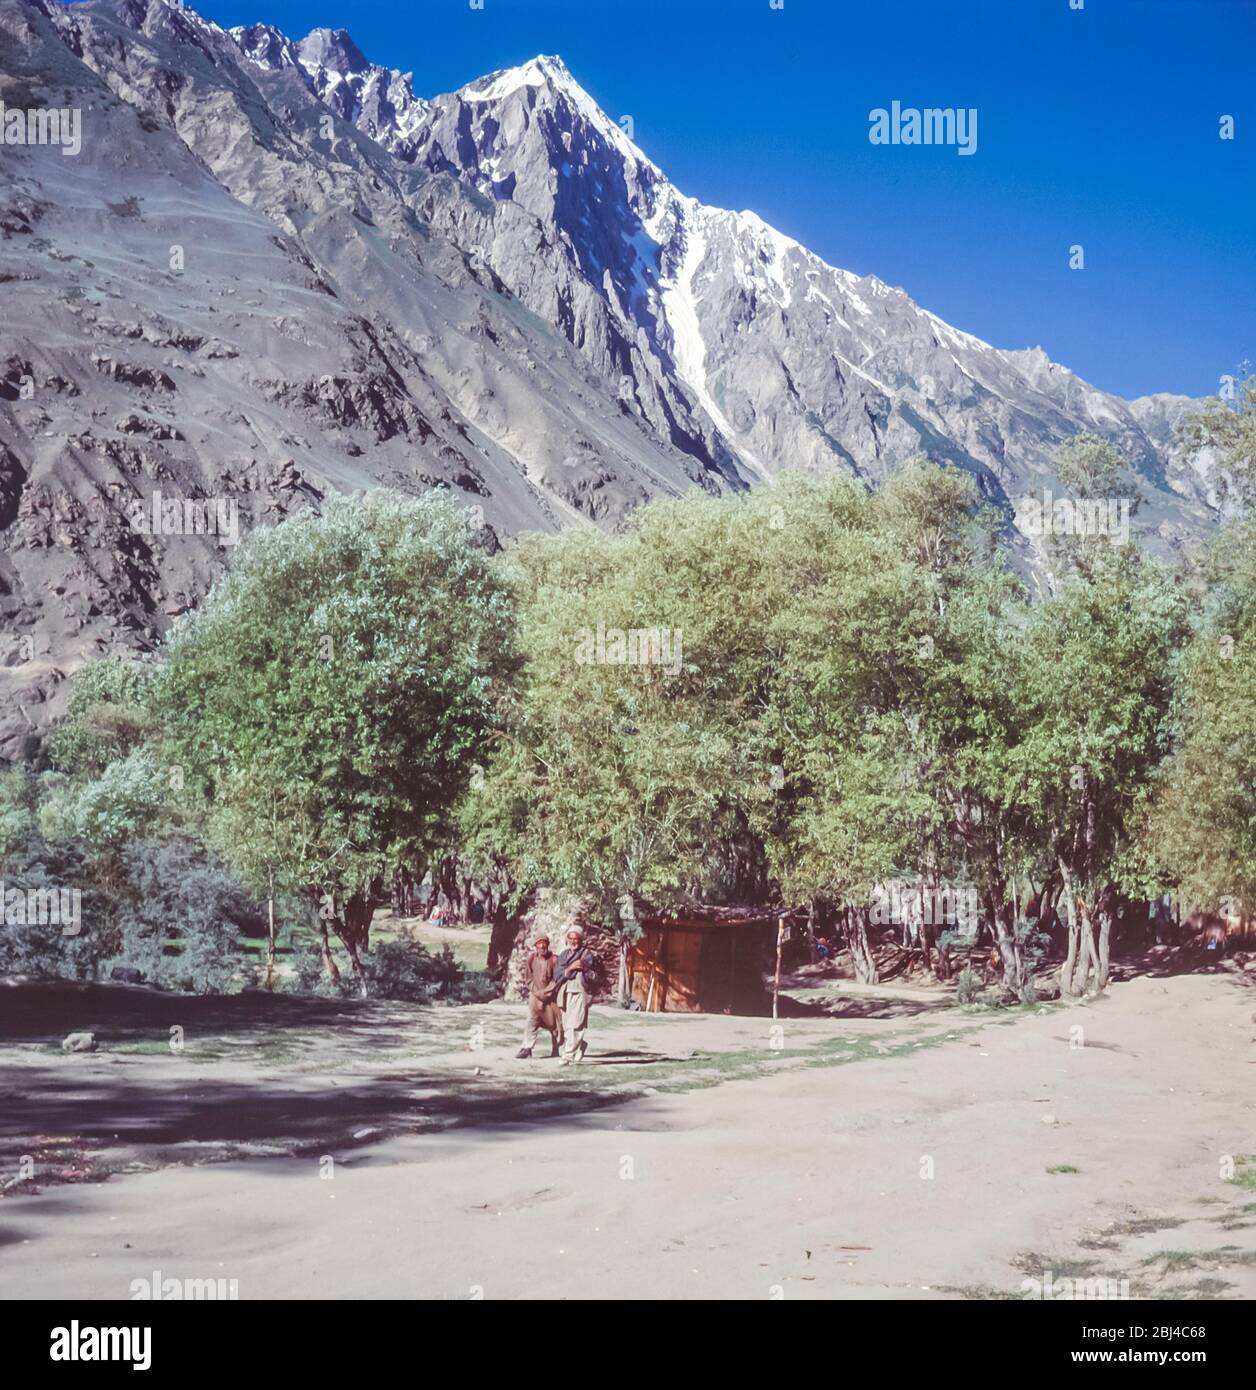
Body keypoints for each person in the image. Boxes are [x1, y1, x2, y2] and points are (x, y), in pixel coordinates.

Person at [554, 927, 597, 1065]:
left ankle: (568, 1055)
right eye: (571, 938)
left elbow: (592, 972)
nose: (573, 941)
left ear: (580, 939)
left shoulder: (586, 954)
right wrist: (571, 968)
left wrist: (582, 966)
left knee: (576, 1024)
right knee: (567, 1025)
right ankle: (579, 1046)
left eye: (576, 939)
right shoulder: (563, 955)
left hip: (579, 992)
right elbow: (558, 973)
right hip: (565, 992)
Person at [516, 934, 563, 1059]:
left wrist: (545, 992)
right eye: (539, 943)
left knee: (554, 1024)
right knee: (532, 1021)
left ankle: (557, 1050)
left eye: (544, 943)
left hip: (550, 998)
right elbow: (528, 978)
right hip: (535, 997)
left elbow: (556, 979)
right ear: (535, 946)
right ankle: (527, 1048)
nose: (542, 946)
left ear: (547, 945)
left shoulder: (554, 959)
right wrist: (536, 992)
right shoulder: (532, 958)